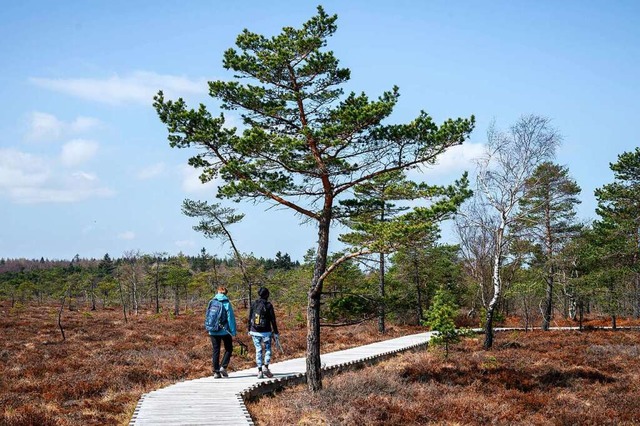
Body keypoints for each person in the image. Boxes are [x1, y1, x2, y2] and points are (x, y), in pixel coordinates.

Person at [248, 286, 279, 379]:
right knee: (268, 349)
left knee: (258, 350)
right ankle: (266, 366)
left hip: (254, 331)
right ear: (267, 295)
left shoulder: (254, 304)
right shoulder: (268, 305)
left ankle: (260, 371)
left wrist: (248, 329)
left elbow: (250, 317)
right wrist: (276, 332)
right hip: (266, 332)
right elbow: (273, 320)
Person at [207, 286, 237, 379]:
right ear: (225, 293)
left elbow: (208, 316)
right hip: (224, 331)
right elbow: (230, 319)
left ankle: (216, 372)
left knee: (216, 351)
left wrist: (209, 328)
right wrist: (233, 332)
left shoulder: (211, 302)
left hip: (213, 330)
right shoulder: (226, 303)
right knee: (229, 349)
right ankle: (223, 367)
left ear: (218, 292)